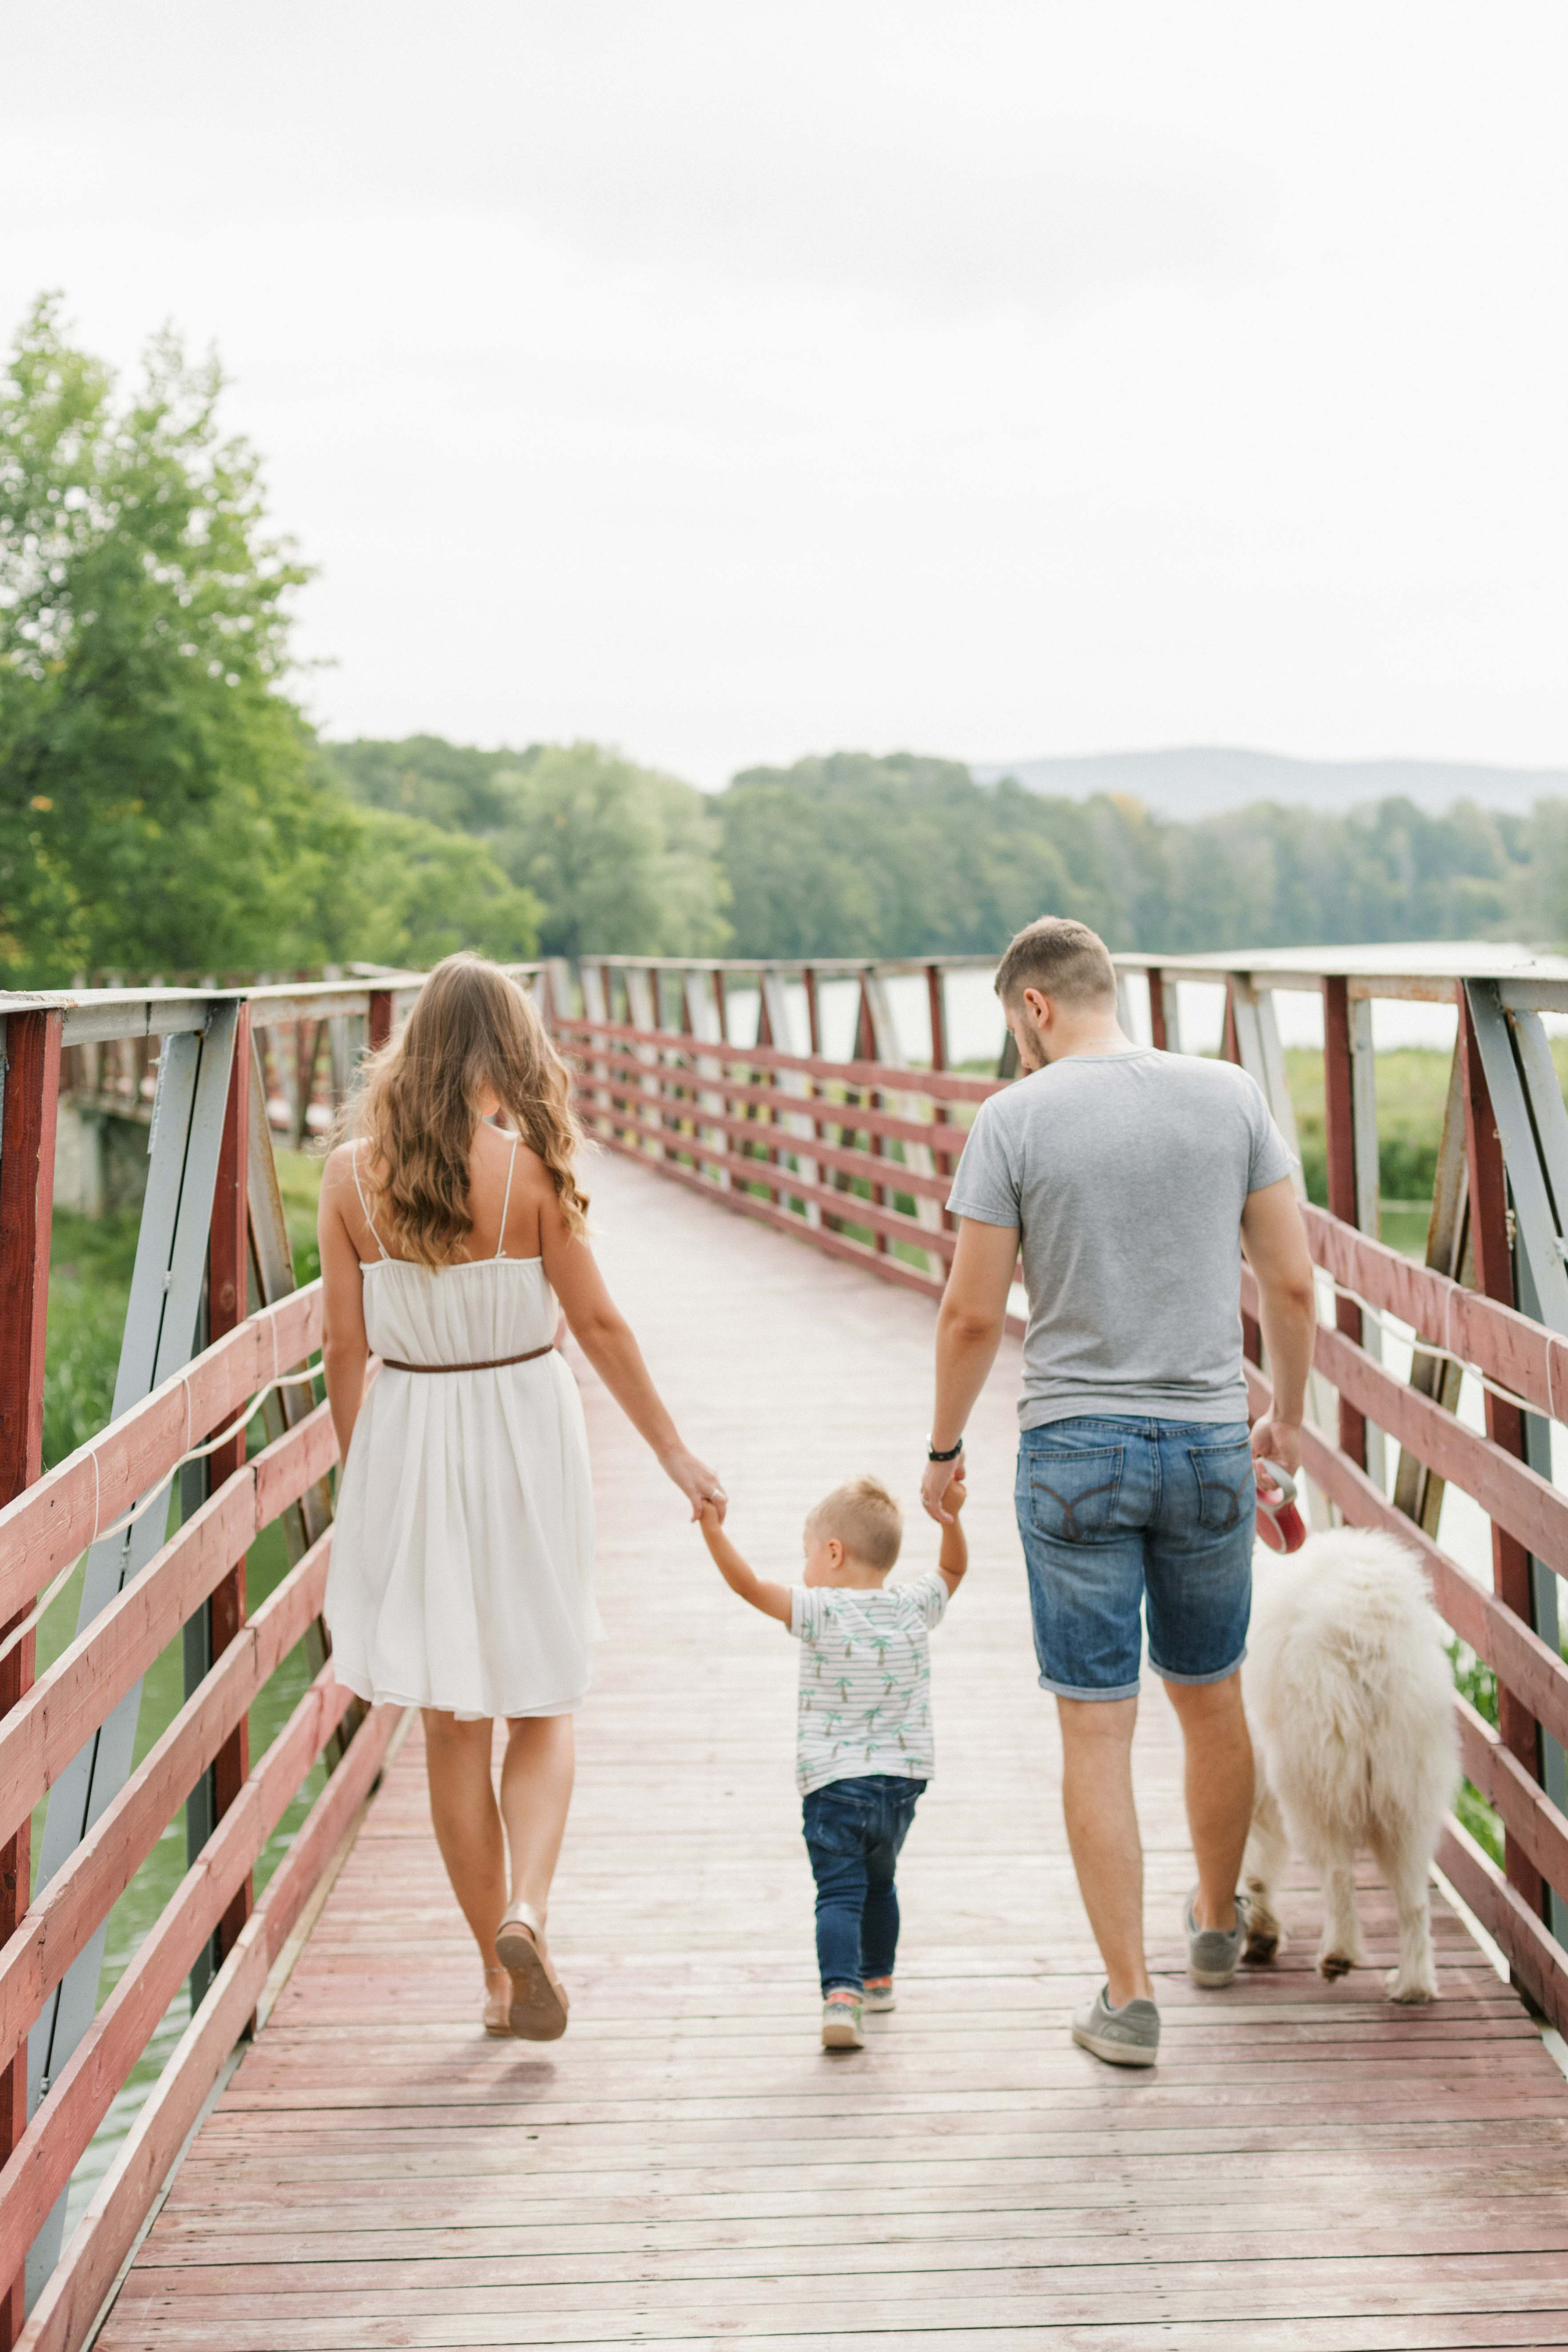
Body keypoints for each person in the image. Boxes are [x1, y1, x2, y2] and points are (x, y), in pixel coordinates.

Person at [920, 916, 1317, 2068]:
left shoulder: (1012, 1120)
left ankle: (1130, 2000)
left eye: (1013, 1029)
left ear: (1034, 1006)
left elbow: (971, 1314)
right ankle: (1212, 1918)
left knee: (1097, 1730)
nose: (1016, 1051)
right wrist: (1279, 1414)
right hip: (1205, 1446)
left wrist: (942, 1450)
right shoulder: (1230, 1095)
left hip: (1074, 1449)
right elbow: (1292, 1283)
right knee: (1211, 1697)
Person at [318, 954, 726, 2041]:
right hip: (523, 1427)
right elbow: (600, 1328)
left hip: (411, 1430)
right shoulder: (533, 1172)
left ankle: (496, 1984)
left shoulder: (349, 1178)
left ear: (414, 1049)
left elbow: (343, 1350)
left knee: (453, 1723)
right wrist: (676, 1455)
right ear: (505, 1052)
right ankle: (530, 1911)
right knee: (543, 1698)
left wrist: (372, 1491)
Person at [698, 1472, 968, 2049]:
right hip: (903, 1784)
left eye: (806, 1557)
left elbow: (747, 1586)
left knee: (840, 1893)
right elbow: (952, 1572)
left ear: (834, 1553)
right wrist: (951, 1520)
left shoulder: (821, 1610)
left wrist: (712, 1530)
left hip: (836, 1786)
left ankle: (842, 1998)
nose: (803, 1572)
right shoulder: (911, 1606)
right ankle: (879, 1978)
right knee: (881, 1882)